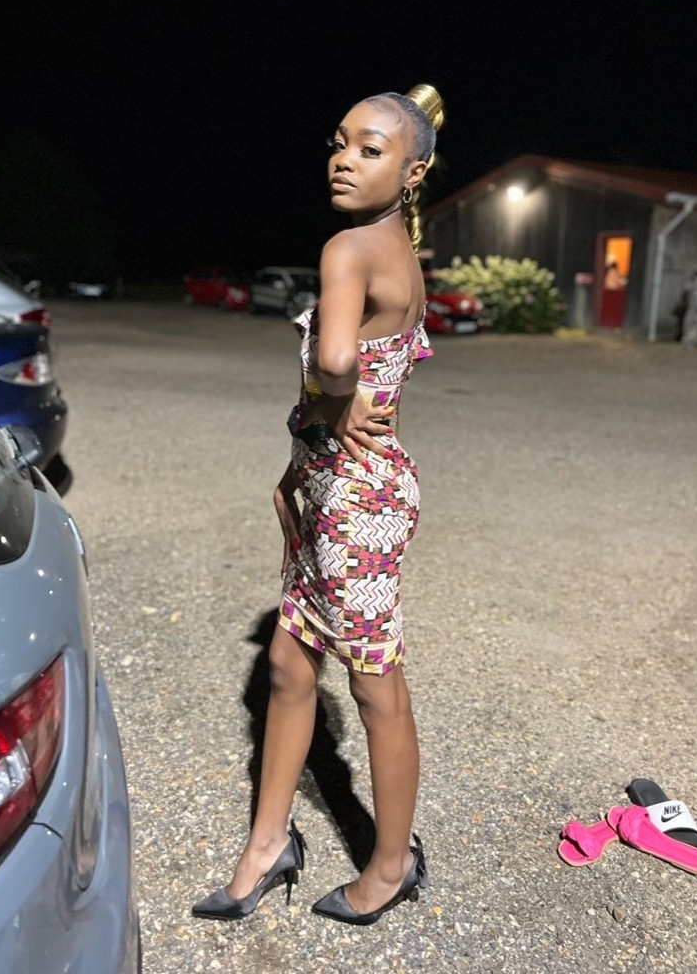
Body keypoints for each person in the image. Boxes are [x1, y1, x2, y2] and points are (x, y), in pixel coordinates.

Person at [192, 84, 443, 926]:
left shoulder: (349, 248)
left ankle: (391, 865)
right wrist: (299, 461)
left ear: (413, 171)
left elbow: (336, 363)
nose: (343, 159)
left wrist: (334, 400)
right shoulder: (396, 248)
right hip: (333, 486)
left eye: (370, 149)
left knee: (374, 686)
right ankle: (268, 845)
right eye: (339, 142)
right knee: (288, 665)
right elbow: (358, 373)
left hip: (355, 502)